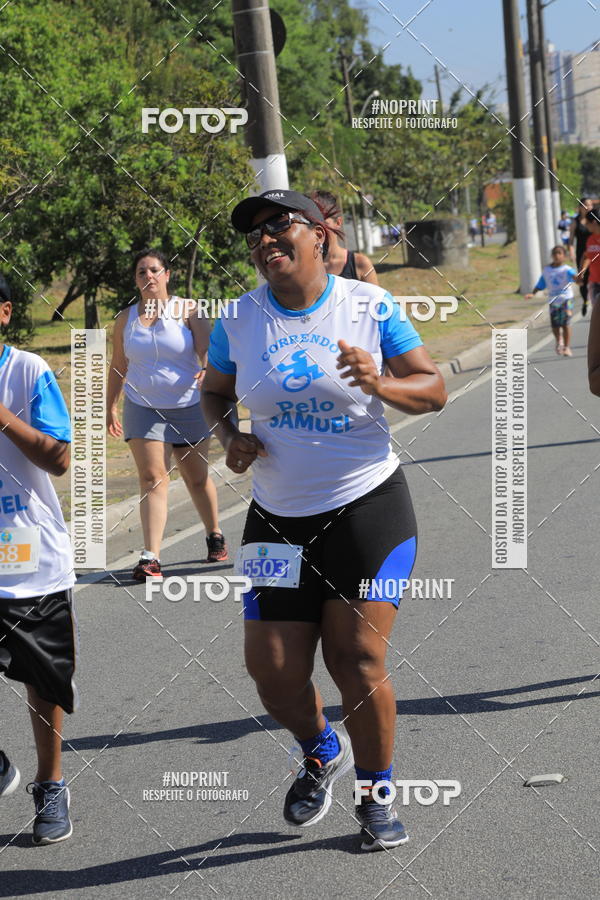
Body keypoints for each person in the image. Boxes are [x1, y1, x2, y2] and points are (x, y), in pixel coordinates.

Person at [202, 189, 447, 851]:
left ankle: (377, 796)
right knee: (272, 672)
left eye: (277, 225)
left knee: (358, 659)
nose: (263, 239)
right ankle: (320, 750)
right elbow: (212, 391)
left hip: (367, 508)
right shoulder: (238, 318)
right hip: (277, 519)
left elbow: (432, 389)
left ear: (318, 232)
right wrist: (230, 437)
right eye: (253, 233)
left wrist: (380, 385)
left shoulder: (367, 305)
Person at [0, 274, 75, 844]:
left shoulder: (27, 372)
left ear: (4, 313)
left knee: (42, 682)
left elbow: (59, 459)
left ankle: (50, 786)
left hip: (27, 558)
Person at [106, 249, 227, 579]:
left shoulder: (189, 309)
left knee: (196, 478)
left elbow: (206, 349)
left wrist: (205, 369)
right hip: (142, 406)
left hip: (188, 405)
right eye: (141, 272)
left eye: (154, 270)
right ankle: (151, 557)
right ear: (136, 279)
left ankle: (214, 533)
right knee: (152, 477)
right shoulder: (125, 318)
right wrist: (110, 406)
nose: (148, 276)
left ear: (167, 275)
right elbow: (119, 365)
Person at [308, 190, 379, 284]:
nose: (317, 231)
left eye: (323, 224)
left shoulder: (360, 264)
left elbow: (377, 298)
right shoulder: (307, 268)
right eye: (311, 224)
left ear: (338, 222)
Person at [525, 245, 577, 357]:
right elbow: (541, 283)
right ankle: (559, 341)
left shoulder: (567, 269)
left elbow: (576, 278)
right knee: (555, 325)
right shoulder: (547, 270)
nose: (557, 255)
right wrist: (532, 293)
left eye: (559, 253)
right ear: (552, 256)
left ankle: (567, 347)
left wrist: (579, 278)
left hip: (566, 299)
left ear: (564, 256)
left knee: (566, 322)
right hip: (553, 300)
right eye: (555, 253)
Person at [568, 198, 593, 315]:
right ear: (580, 208)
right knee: (583, 278)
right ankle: (585, 301)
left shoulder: (595, 220)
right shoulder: (575, 222)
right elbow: (571, 240)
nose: (589, 207)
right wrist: (571, 252)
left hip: (594, 252)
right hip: (581, 254)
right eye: (586, 205)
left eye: (590, 205)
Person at [577, 206, 600, 312]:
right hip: (594, 283)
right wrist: (582, 270)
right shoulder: (590, 239)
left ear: (594, 222)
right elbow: (587, 256)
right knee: (596, 313)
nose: (586, 226)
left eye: (587, 223)